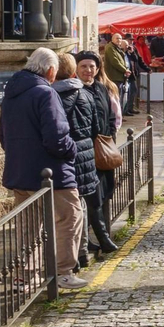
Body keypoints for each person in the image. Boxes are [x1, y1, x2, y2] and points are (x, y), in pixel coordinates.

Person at [0, 48, 84, 287]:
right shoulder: (45, 93)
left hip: (20, 170)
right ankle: (63, 272)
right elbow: (57, 137)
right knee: (69, 217)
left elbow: (3, 135)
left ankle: (25, 276)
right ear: (50, 70)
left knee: (28, 225)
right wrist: (72, 150)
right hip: (51, 172)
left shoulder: (12, 93)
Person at [53, 54, 110, 273]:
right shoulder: (85, 94)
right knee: (81, 205)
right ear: (74, 71)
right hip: (86, 154)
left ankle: (71, 257)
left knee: (68, 209)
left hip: (67, 157)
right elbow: (96, 127)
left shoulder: (51, 96)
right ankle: (83, 252)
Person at [74, 51, 122, 257]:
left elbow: (110, 116)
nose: (88, 70)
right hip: (85, 152)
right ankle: (101, 239)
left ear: (97, 68)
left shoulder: (101, 88)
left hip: (103, 149)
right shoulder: (75, 90)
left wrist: (109, 136)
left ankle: (90, 239)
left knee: (103, 192)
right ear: (76, 69)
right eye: (83, 66)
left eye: (92, 66)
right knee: (91, 196)